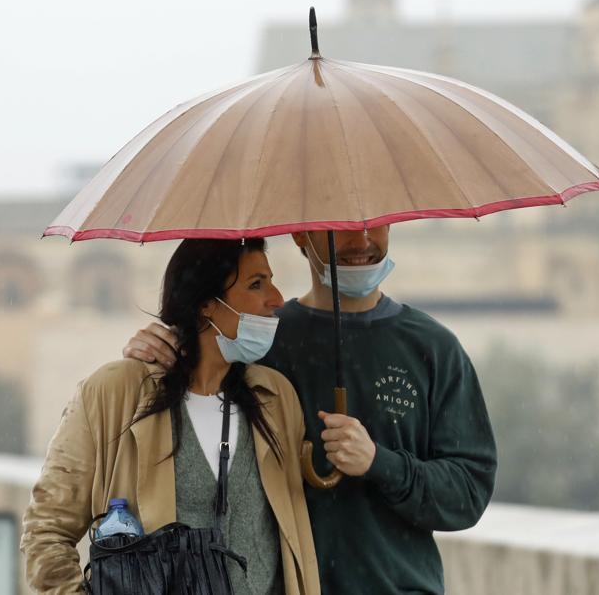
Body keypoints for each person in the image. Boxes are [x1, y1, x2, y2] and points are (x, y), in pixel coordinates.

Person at [124, 227, 497, 595]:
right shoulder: (257, 341)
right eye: (341, 228)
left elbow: (469, 491)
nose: (362, 241)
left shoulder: (434, 348)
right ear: (301, 236)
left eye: (374, 224)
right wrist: (158, 353)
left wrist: (380, 464)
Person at [22, 238, 320, 595]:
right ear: (207, 304)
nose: (276, 297)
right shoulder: (115, 393)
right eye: (256, 284)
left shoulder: (275, 397)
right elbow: (46, 530)